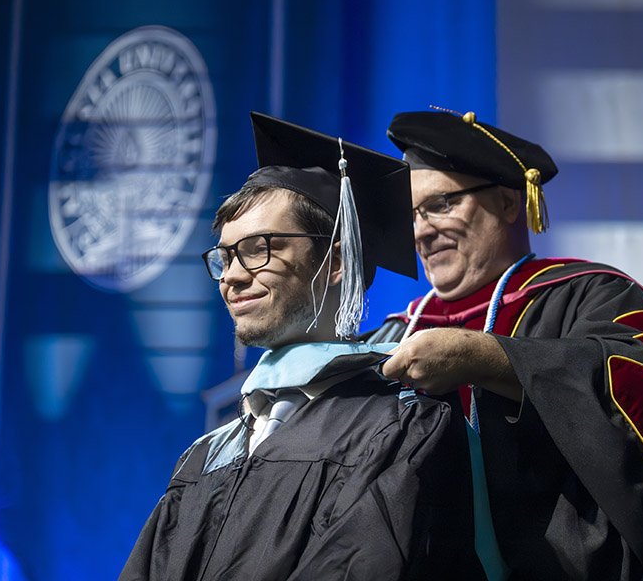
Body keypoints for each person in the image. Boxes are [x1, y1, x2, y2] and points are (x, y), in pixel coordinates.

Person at [119, 113, 478, 581]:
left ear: (336, 262)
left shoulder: (396, 427)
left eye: (258, 248)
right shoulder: (206, 453)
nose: (230, 276)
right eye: (225, 257)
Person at [371, 109, 643, 581]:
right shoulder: (394, 333)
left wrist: (490, 359)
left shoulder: (595, 295)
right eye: (412, 214)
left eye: (442, 204)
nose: (421, 231)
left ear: (510, 203)